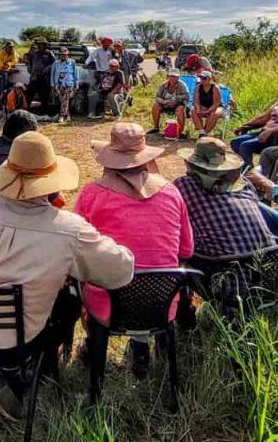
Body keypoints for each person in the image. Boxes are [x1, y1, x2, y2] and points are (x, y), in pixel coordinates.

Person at [0, 131, 134, 419]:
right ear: (53, 185)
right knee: (71, 299)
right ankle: (29, 375)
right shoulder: (68, 229)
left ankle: (12, 371)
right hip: (16, 339)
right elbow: (121, 270)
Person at [76, 123, 192, 376]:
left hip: (108, 303)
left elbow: (78, 250)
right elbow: (187, 248)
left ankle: (93, 342)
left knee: (84, 280)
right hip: (162, 302)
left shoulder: (91, 193)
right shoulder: (171, 192)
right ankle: (141, 345)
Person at [174, 138, 275, 266]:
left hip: (219, 267)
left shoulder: (185, 184)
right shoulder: (245, 184)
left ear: (190, 163)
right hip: (267, 266)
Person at [231, 80, 278, 171]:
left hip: (276, 137)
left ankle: (247, 172)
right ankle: (248, 166)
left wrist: (271, 131)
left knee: (245, 145)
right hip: (264, 131)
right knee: (235, 142)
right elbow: (264, 118)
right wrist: (245, 125)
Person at [149, 69, 189, 135]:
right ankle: (156, 128)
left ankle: (181, 131)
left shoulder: (182, 85)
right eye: (171, 76)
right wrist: (164, 102)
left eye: (175, 76)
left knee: (180, 109)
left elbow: (186, 96)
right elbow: (157, 97)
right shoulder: (163, 85)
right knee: (156, 106)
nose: (173, 78)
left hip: (177, 105)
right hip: (165, 105)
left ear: (178, 77)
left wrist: (176, 100)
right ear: (169, 76)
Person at [24, 36, 56, 112]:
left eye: (41, 44)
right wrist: (31, 71)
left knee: (44, 94)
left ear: (45, 44)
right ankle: (25, 108)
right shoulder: (34, 53)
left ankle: (43, 110)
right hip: (34, 77)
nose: (39, 45)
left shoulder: (49, 53)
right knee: (30, 93)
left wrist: (48, 68)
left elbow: (54, 64)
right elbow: (29, 63)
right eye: (38, 44)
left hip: (45, 78)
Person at [191, 70, 223, 137]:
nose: (202, 80)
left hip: (216, 106)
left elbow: (216, 103)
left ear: (209, 79)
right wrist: (198, 109)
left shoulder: (215, 88)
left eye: (204, 78)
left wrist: (207, 111)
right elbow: (196, 101)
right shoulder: (198, 87)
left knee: (214, 114)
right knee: (193, 110)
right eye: (201, 78)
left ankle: (206, 133)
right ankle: (201, 131)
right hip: (203, 106)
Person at [51, 45, 78, 122]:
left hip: (69, 83)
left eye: (65, 54)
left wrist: (77, 83)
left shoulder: (72, 62)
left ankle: (62, 116)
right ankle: (68, 115)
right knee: (63, 100)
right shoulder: (56, 63)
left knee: (65, 99)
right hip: (59, 84)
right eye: (62, 54)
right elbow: (52, 74)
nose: (63, 56)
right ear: (60, 55)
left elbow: (76, 73)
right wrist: (52, 85)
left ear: (67, 54)